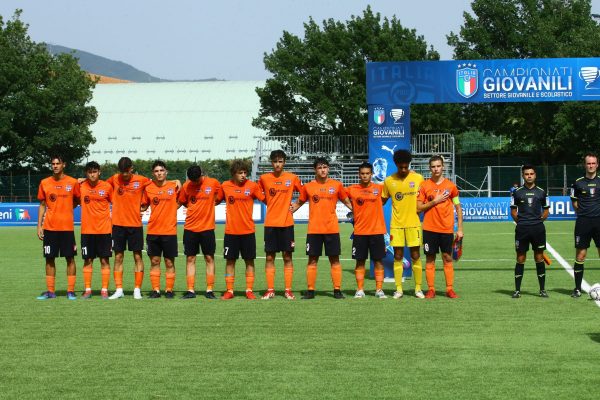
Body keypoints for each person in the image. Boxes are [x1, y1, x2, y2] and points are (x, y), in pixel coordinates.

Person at [291, 158, 352, 299]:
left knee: (335, 260)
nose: (322, 170)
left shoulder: (337, 185)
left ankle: (337, 290)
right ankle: (310, 291)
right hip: (314, 230)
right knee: (312, 260)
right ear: (315, 170)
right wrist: (284, 212)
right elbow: (297, 203)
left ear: (328, 169)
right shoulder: (308, 187)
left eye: (325, 167)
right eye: (319, 167)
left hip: (332, 229)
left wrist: (360, 214)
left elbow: (347, 202)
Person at [416, 155, 464, 299]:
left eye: (438, 166)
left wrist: (460, 229)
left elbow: (458, 207)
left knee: (447, 258)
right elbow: (418, 208)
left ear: (443, 167)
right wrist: (434, 201)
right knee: (430, 259)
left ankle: (449, 289)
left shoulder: (451, 186)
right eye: (433, 166)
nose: (436, 169)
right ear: (429, 168)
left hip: (446, 229)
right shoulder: (424, 186)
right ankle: (431, 289)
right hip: (429, 229)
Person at [258, 150, 303, 300]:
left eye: (280, 161)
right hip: (270, 224)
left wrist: (296, 205)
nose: (277, 164)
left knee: (287, 256)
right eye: (275, 161)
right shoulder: (264, 178)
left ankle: (288, 290)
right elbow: (258, 193)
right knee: (269, 257)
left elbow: (304, 193)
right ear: (271, 162)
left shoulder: (292, 178)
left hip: (287, 223)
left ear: (284, 162)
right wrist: (270, 202)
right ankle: (270, 290)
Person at [217, 160, 265, 300]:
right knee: (230, 261)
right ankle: (229, 291)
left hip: (248, 231)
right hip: (231, 232)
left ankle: (249, 290)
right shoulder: (225, 186)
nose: (243, 175)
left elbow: (266, 199)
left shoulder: (252, 186)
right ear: (233, 174)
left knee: (249, 261)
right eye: (240, 173)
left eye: (245, 173)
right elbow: (214, 200)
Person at [105, 157, 151, 300]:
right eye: (121, 172)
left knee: (138, 256)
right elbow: (100, 186)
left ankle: (137, 289)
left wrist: (146, 204)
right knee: (118, 257)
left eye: (126, 171)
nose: (124, 175)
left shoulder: (142, 180)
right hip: (118, 225)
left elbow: (156, 186)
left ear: (131, 168)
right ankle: (119, 289)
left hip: (135, 225)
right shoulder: (113, 179)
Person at [382, 149, 425, 299]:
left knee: (415, 255)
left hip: (414, 224)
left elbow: (425, 198)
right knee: (398, 256)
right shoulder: (389, 181)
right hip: (397, 225)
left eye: (406, 167)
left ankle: (418, 288)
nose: (404, 170)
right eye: (401, 167)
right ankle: (399, 289)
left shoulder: (419, 178)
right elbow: (381, 201)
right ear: (396, 164)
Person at [36, 155, 80, 300]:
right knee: (49, 259)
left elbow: (77, 200)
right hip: (50, 228)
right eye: (53, 163)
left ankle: (71, 291)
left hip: (67, 228)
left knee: (70, 259)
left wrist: (67, 208)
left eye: (58, 163)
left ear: (64, 165)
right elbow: (42, 205)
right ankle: (50, 292)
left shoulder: (72, 182)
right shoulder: (44, 183)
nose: (55, 166)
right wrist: (39, 226)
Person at [344, 162, 387, 299]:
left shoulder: (379, 189)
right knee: (360, 261)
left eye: (367, 173)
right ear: (359, 174)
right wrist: (352, 208)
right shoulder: (352, 189)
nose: (365, 176)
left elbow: (387, 197)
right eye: (362, 173)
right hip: (360, 232)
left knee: (378, 261)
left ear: (371, 174)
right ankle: (360, 290)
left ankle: (379, 290)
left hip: (377, 231)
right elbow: (340, 195)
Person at [178, 165, 221, 299]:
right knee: (190, 258)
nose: (195, 183)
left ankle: (209, 290)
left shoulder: (213, 183)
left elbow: (219, 198)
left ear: (202, 174)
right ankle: (190, 290)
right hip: (190, 228)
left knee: (209, 258)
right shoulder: (186, 186)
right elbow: (183, 202)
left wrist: (209, 206)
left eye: (197, 180)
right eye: (193, 181)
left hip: (207, 228)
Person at [141, 160, 181, 298]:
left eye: (161, 170)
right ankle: (156, 290)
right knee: (154, 261)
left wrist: (171, 211)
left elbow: (182, 200)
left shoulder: (174, 186)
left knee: (169, 262)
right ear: (153, 173)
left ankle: (169, 290)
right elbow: (144, 206)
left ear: (166, 172)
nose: (159, 173)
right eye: (157, 171)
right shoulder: (148, 188)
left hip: (169, 231)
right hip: (153, 230)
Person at [509, 164, 549, 298]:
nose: (529, 176)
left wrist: (538, 221)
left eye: (531, 173)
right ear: (523, 176)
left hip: (538, 229)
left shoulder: (542, 192)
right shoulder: (516, 192)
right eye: (526, 174)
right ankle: (517, 290)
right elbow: (513, 211)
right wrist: (521, 222)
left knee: (539, 257)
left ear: (535, 175)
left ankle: (542, 289)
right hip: (522, 229)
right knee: (520, 258)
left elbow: (546, 210)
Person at [79, 161, 114, 299]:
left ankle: (104, 290)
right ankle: (88, 289)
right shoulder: (80, 187)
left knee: (104, 260)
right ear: (86, 174)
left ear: (99, 172)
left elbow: (115, 204)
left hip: (104, 231)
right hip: (87, 231)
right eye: (89, 172)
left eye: (94, 172)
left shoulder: (107, 187)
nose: (92, 174)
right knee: (88, 260)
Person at [570, 152, 600, 298]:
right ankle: (577, 289)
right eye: (588, 163)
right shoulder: (577, 182)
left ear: (597, 165)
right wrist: (582, 213)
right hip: (583, 222)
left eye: (593, 163)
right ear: (585, 165)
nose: (591, 166)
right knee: (580, 255)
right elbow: (574, 202)